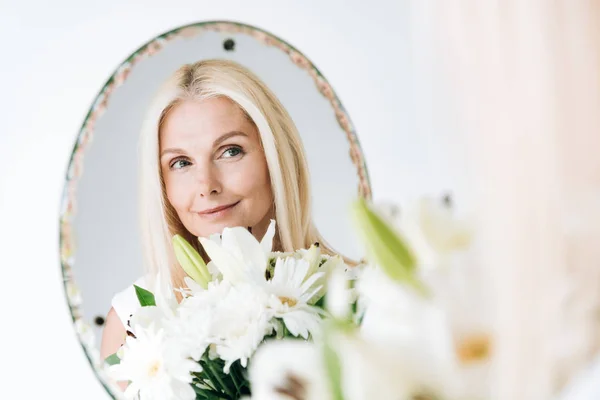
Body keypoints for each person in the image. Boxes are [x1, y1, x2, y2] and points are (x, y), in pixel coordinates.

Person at [99, 59, 343, 378]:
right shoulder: (132, 324)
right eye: (181, 162)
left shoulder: (354, 291)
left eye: (230, 151)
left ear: (276, 157)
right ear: (162, 185)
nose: (207, 186)